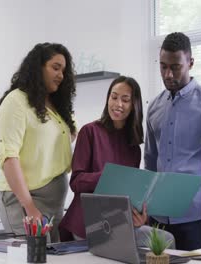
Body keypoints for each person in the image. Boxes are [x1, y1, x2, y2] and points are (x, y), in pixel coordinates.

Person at [59, 76, 175, 248]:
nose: (117, 104)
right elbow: (76, 182)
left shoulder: (133, 147)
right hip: (86, 224)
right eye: (113, 97)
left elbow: (127, 195)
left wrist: (141, 216)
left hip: (115, 224)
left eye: (125, 100)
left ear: (134, 105)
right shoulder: (89, 132)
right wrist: (109, 176)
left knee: (166, 240)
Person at [144, 32, 201, 250]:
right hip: (158, 216)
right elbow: (150, 161)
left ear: (190, 63)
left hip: (196, 217)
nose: (168, 74)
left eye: (175, 67)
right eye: (163, 66)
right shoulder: (154, 107)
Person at [0, 42, 77, 242]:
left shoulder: (55, 107)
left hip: (54, 204)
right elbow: (9, 158)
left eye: (63, 70)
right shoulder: (16, 101)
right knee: (34, 257)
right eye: (55, 67)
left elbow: (70, 135)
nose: (61, 75)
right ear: (38, 67)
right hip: (25, 201)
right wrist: (29, 207)